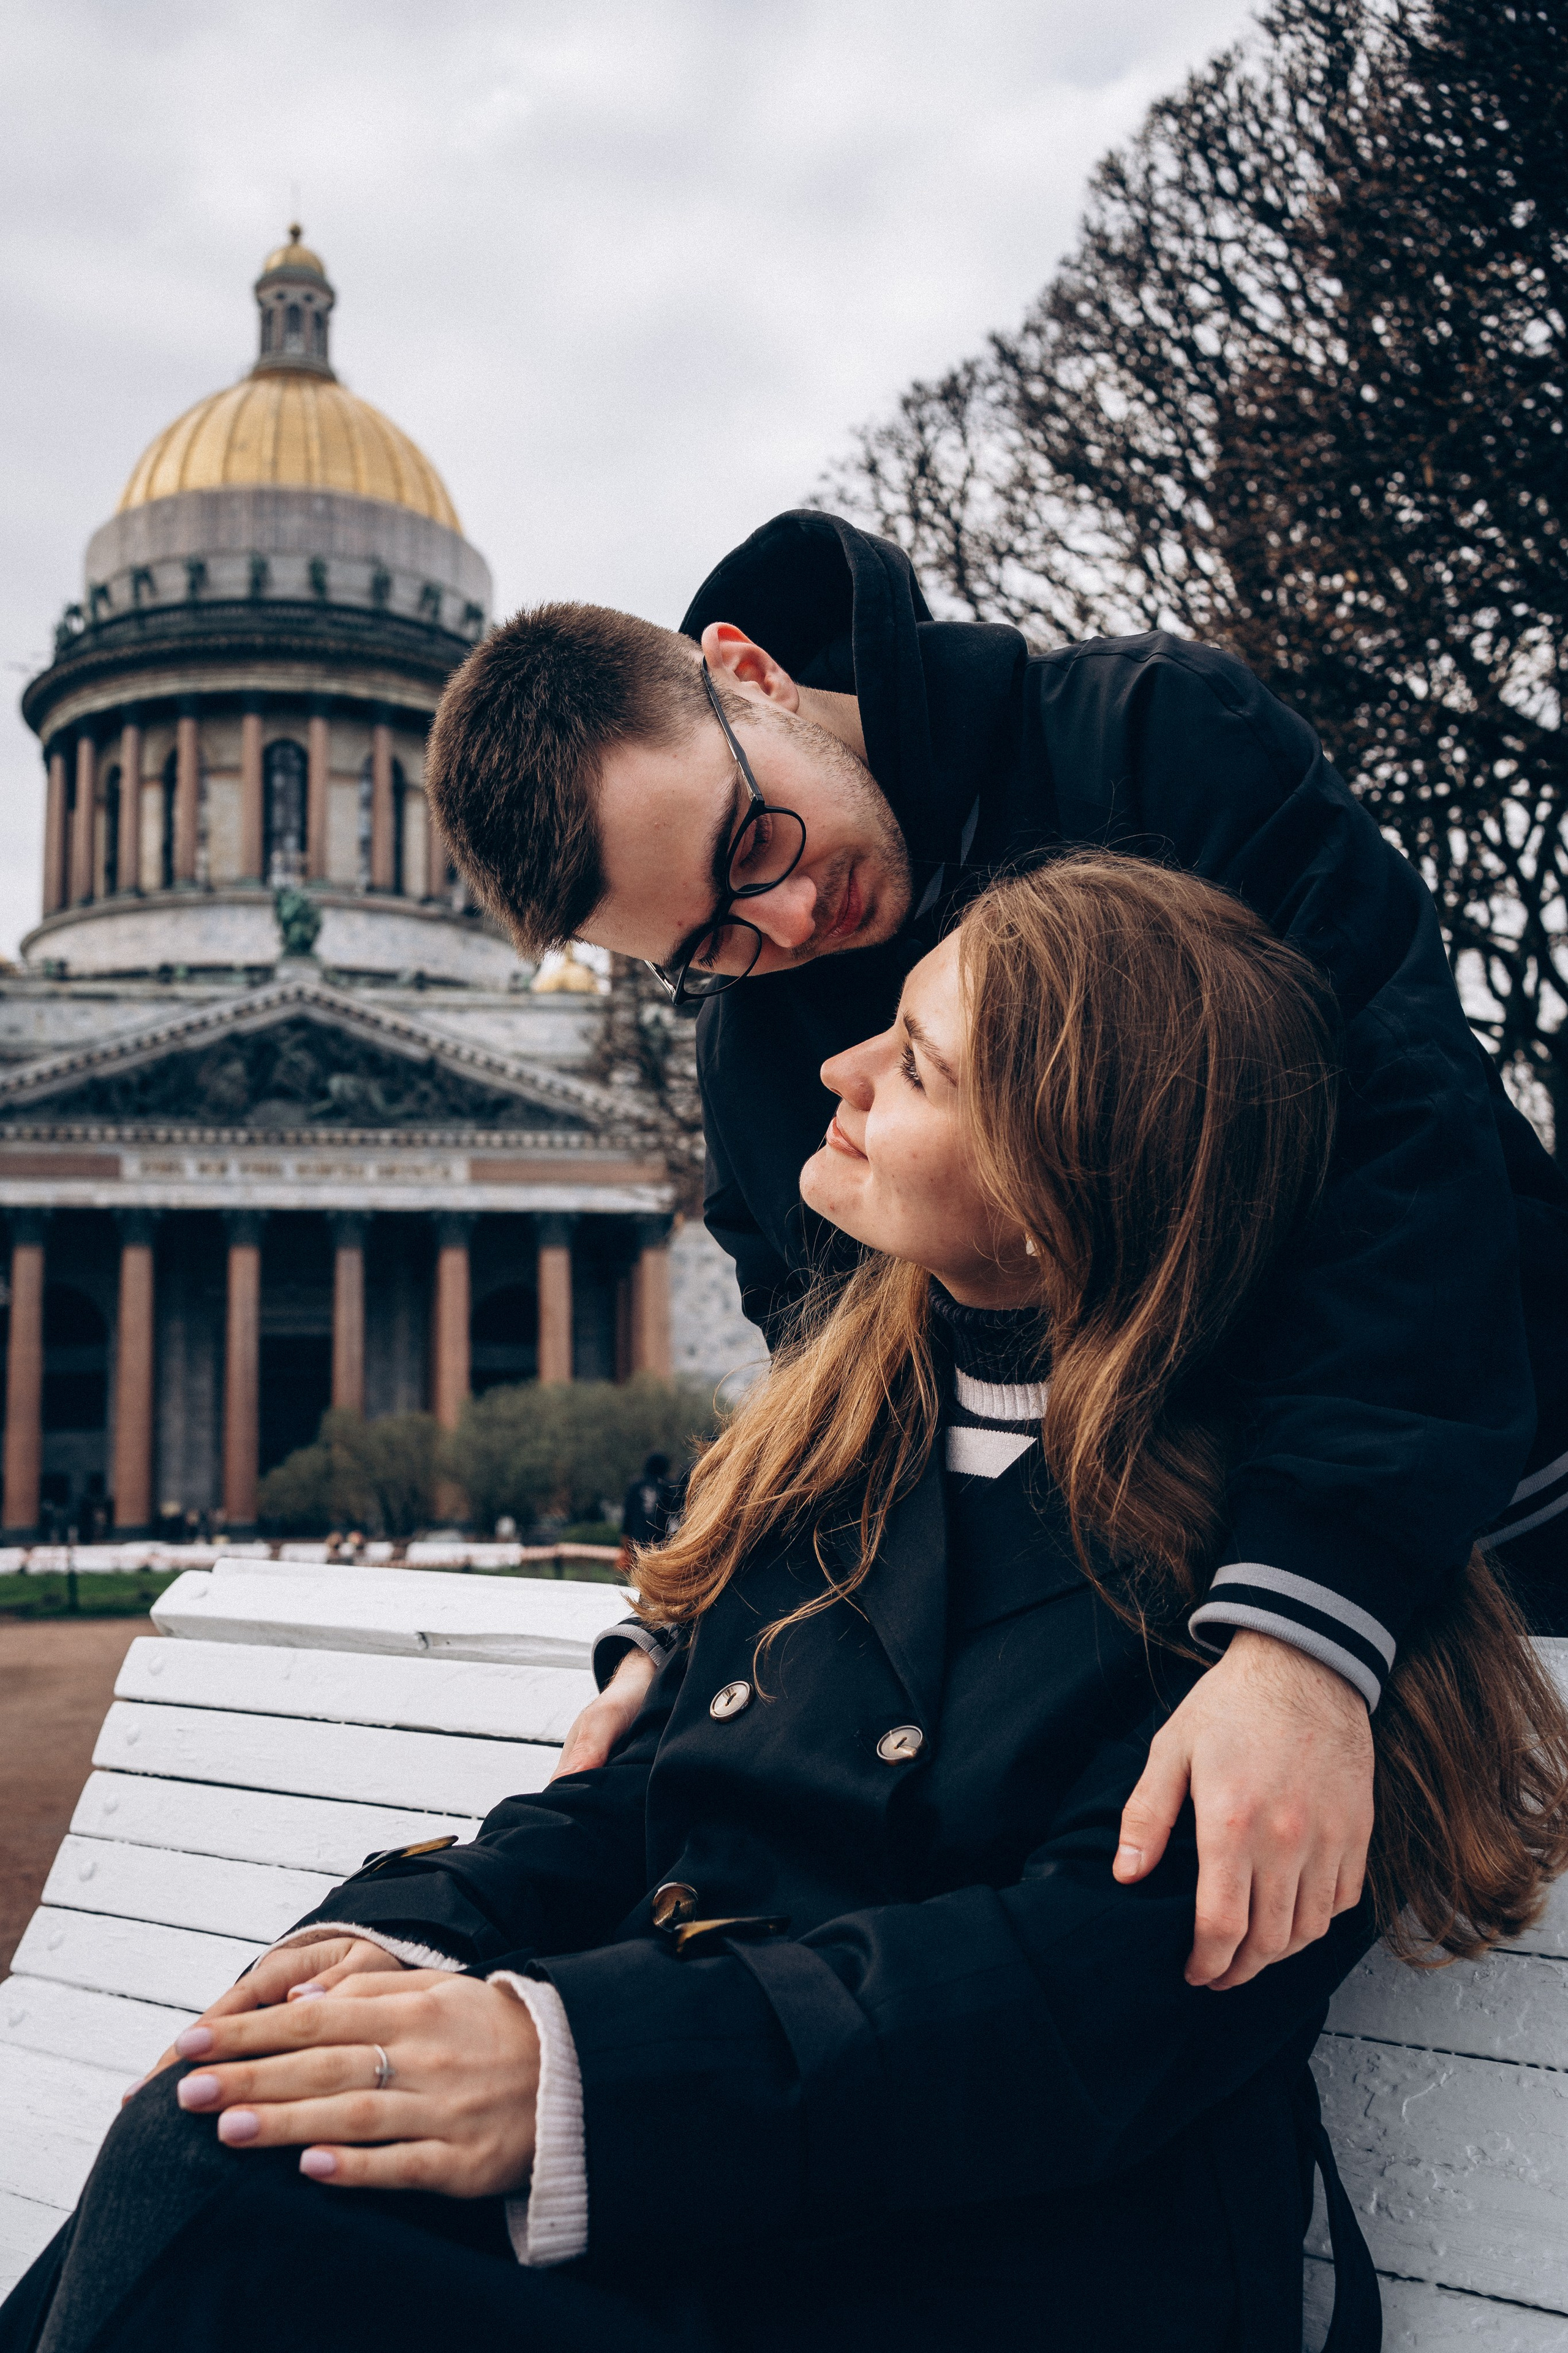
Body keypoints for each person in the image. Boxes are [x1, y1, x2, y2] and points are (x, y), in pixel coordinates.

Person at [10, 857, 1567, 2353]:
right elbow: (639, 1799)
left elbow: (1071, 2002)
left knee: (219, 2189)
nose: (838, 1068)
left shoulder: (1273, 1575)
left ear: (1057, 1176)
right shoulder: (838, 1435)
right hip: (741, 2189)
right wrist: (404, 1939)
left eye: (918, 1063)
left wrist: (569, 2073)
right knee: (225, 2115)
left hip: (988, 2269)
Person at [426, 510, 1568, 1991]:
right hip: (1142, 1607)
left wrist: (1305, 1622)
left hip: (1471, 1509)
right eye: (710, 941)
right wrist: (701, 1631)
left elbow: (1400, 1161)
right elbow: (841, 1395)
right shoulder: (755, 1051)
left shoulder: (1154, 738)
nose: (789, 922)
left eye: (750, 840)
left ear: (749, 672)